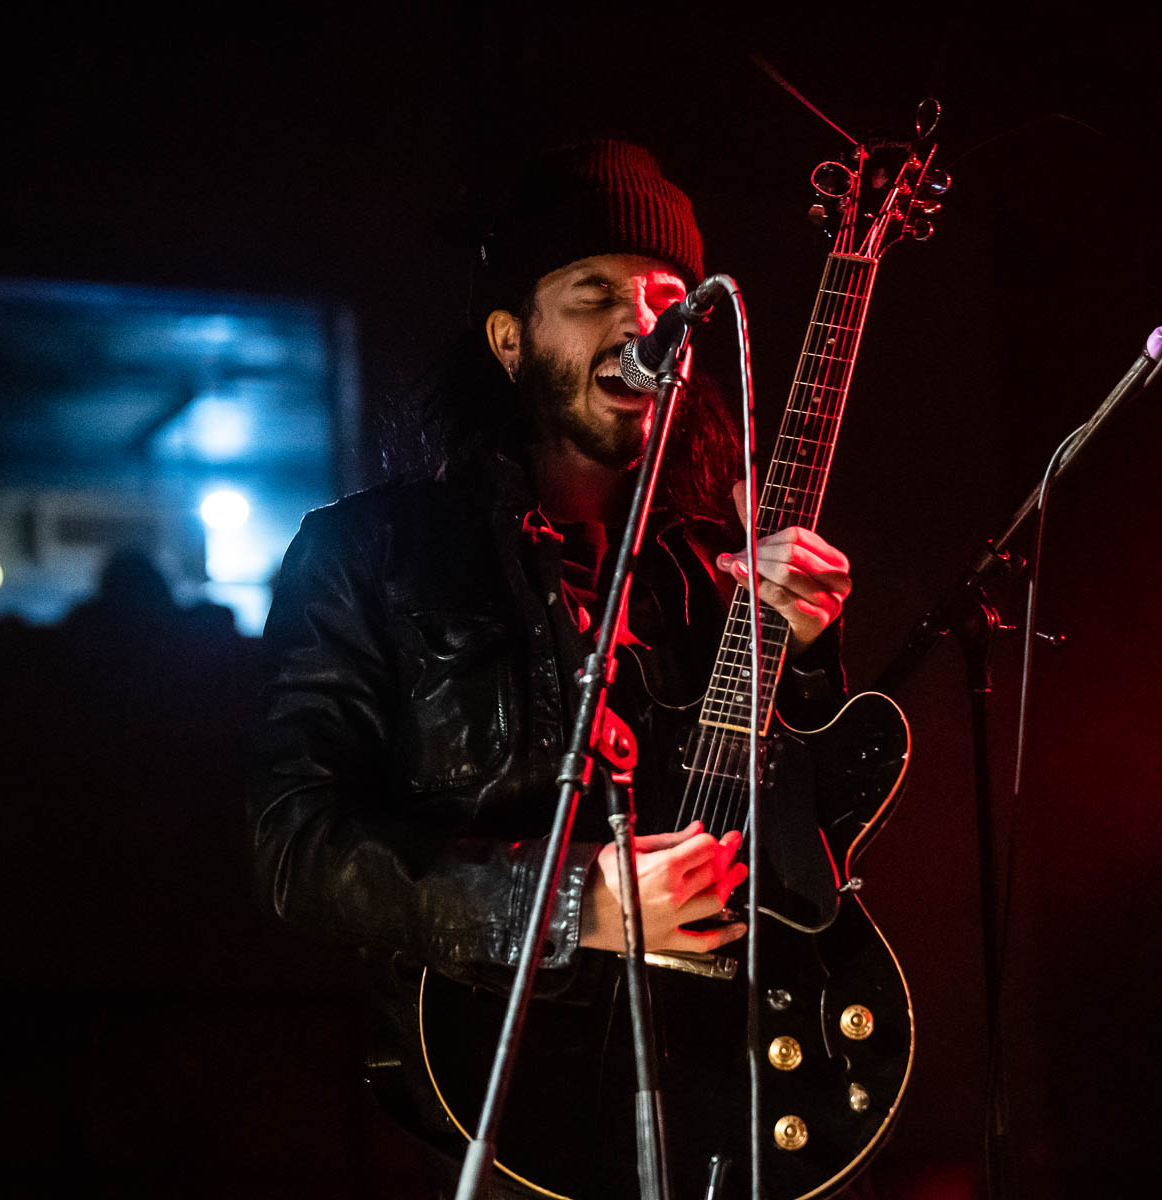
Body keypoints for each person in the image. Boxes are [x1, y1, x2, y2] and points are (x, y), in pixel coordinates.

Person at [248, 140, 858, 1197]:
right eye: (593, 294)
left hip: (721, 1095)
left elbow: (817, 848)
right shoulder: (370, 555)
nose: (642, 323)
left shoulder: (712, 572)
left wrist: (806, 660)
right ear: (509, 337)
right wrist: (572, 901)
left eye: (667, 297)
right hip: (489, 1098)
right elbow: (297, 845)